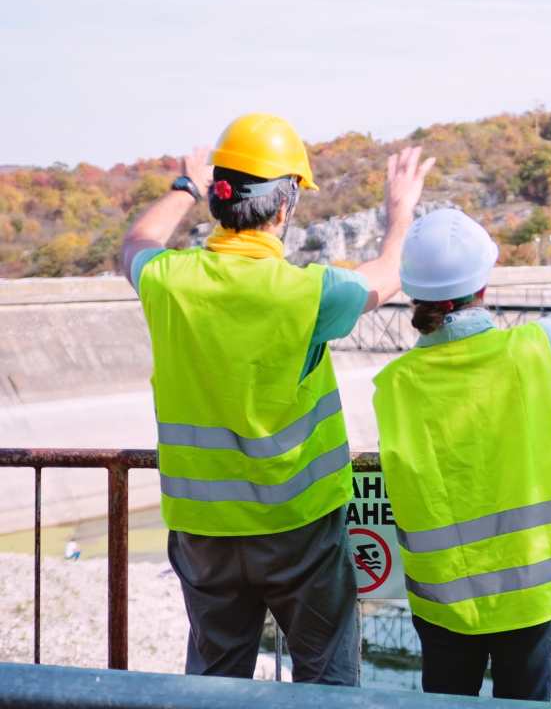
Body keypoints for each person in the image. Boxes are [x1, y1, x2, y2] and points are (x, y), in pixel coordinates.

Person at [120, 113, 434, 683]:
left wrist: (183, 187)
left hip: (203, 529)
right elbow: (389, 273)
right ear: (285, 205)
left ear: (219, 199)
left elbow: (135, 243)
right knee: (324, 679)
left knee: (217, 684)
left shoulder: (167, 281)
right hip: (300, 528)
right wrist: (400, 212)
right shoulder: (310, 293)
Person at [371, 209, 551, 700]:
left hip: (444, 593)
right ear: (483, 286)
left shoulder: (395, 384)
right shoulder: (531, 350)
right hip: (530, 584)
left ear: (414, 293)